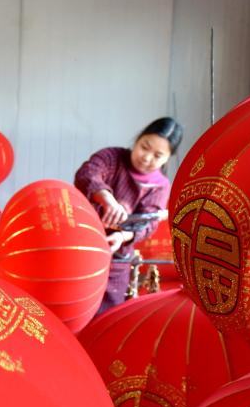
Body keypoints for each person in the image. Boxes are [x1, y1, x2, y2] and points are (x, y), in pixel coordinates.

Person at [74, 117, 182, 314]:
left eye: (157, 155)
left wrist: (122, 236)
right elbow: (87, 173)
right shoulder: (111, 157)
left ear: (168, 158)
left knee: (107, 315)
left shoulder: (160, 186)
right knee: (74, 303)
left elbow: (148, 223)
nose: (146, 158)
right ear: (138, 139)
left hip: (117, 257)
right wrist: (107, 199)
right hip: (81, 243)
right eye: (144, 147)